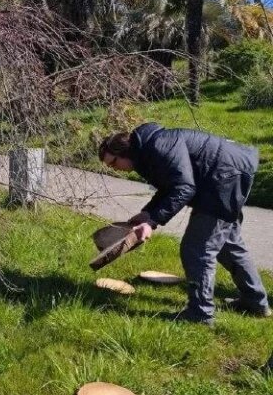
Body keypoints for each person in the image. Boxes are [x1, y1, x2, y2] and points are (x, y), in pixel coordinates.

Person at [99, 123, 270, 326]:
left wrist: (152, 222)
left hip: (224, 178)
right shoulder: (146, 152)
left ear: (124, 152)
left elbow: (184, 187)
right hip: (225, 176)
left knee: (196, 249)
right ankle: (255, 302)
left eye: (113, 163)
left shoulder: (158, 147)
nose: (114, 169)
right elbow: (169, 186)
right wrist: (148, 212)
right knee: (229, 245)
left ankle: (200, 314)